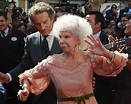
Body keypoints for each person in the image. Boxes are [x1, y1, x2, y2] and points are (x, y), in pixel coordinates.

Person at [17, 14, 127, 104]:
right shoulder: (52, 62)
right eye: (60, 37)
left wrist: (106, 53)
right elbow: (28, 75)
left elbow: (118, 64)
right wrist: (25, 89)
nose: (61, 41)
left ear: (78, 39)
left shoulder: (89, 58)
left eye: (66, 37)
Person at [0, 2, 62, 104]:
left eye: (45, 22)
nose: (42, 27)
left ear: (52, 19)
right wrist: (8, 76)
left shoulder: (65, 37)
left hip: (63, 95)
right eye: (38, 24)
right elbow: (25, 64)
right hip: (39, 95)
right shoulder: (31, 40)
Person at [86, 11, 115, 104]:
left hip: (101, 86)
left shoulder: (107, 40)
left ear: (98, 24)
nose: (85, 24)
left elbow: (111, 65)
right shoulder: (79, 39)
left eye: (88, 21)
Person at [0, 11, 26, 104]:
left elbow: (25, 56)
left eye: (2, 21)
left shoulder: (19, 35)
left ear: (7, 21)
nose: (0, 24)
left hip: (15, 76)